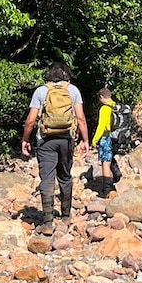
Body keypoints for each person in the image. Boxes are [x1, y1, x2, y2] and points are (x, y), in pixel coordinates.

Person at [21, 64, 89, 233]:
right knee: (65, 176)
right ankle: (66, 216)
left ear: (48, 75)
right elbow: (80, 118)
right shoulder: (73, 90)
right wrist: (86, 140)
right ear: (67, 75)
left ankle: (48, 222)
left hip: (45, 140)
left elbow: (31, 120)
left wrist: (25, 139)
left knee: (47, 179)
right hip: (66, 139)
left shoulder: (40, 91)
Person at [91, 88, 117, 194]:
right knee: (110, 158)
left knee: (105, 163)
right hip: (115, 137)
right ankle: (116, 175)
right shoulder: (115, 106)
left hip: (106, 138)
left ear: (101, 97)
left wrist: (94, 140)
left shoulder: (104, 109)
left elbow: (101, 126)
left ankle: (106, 190)